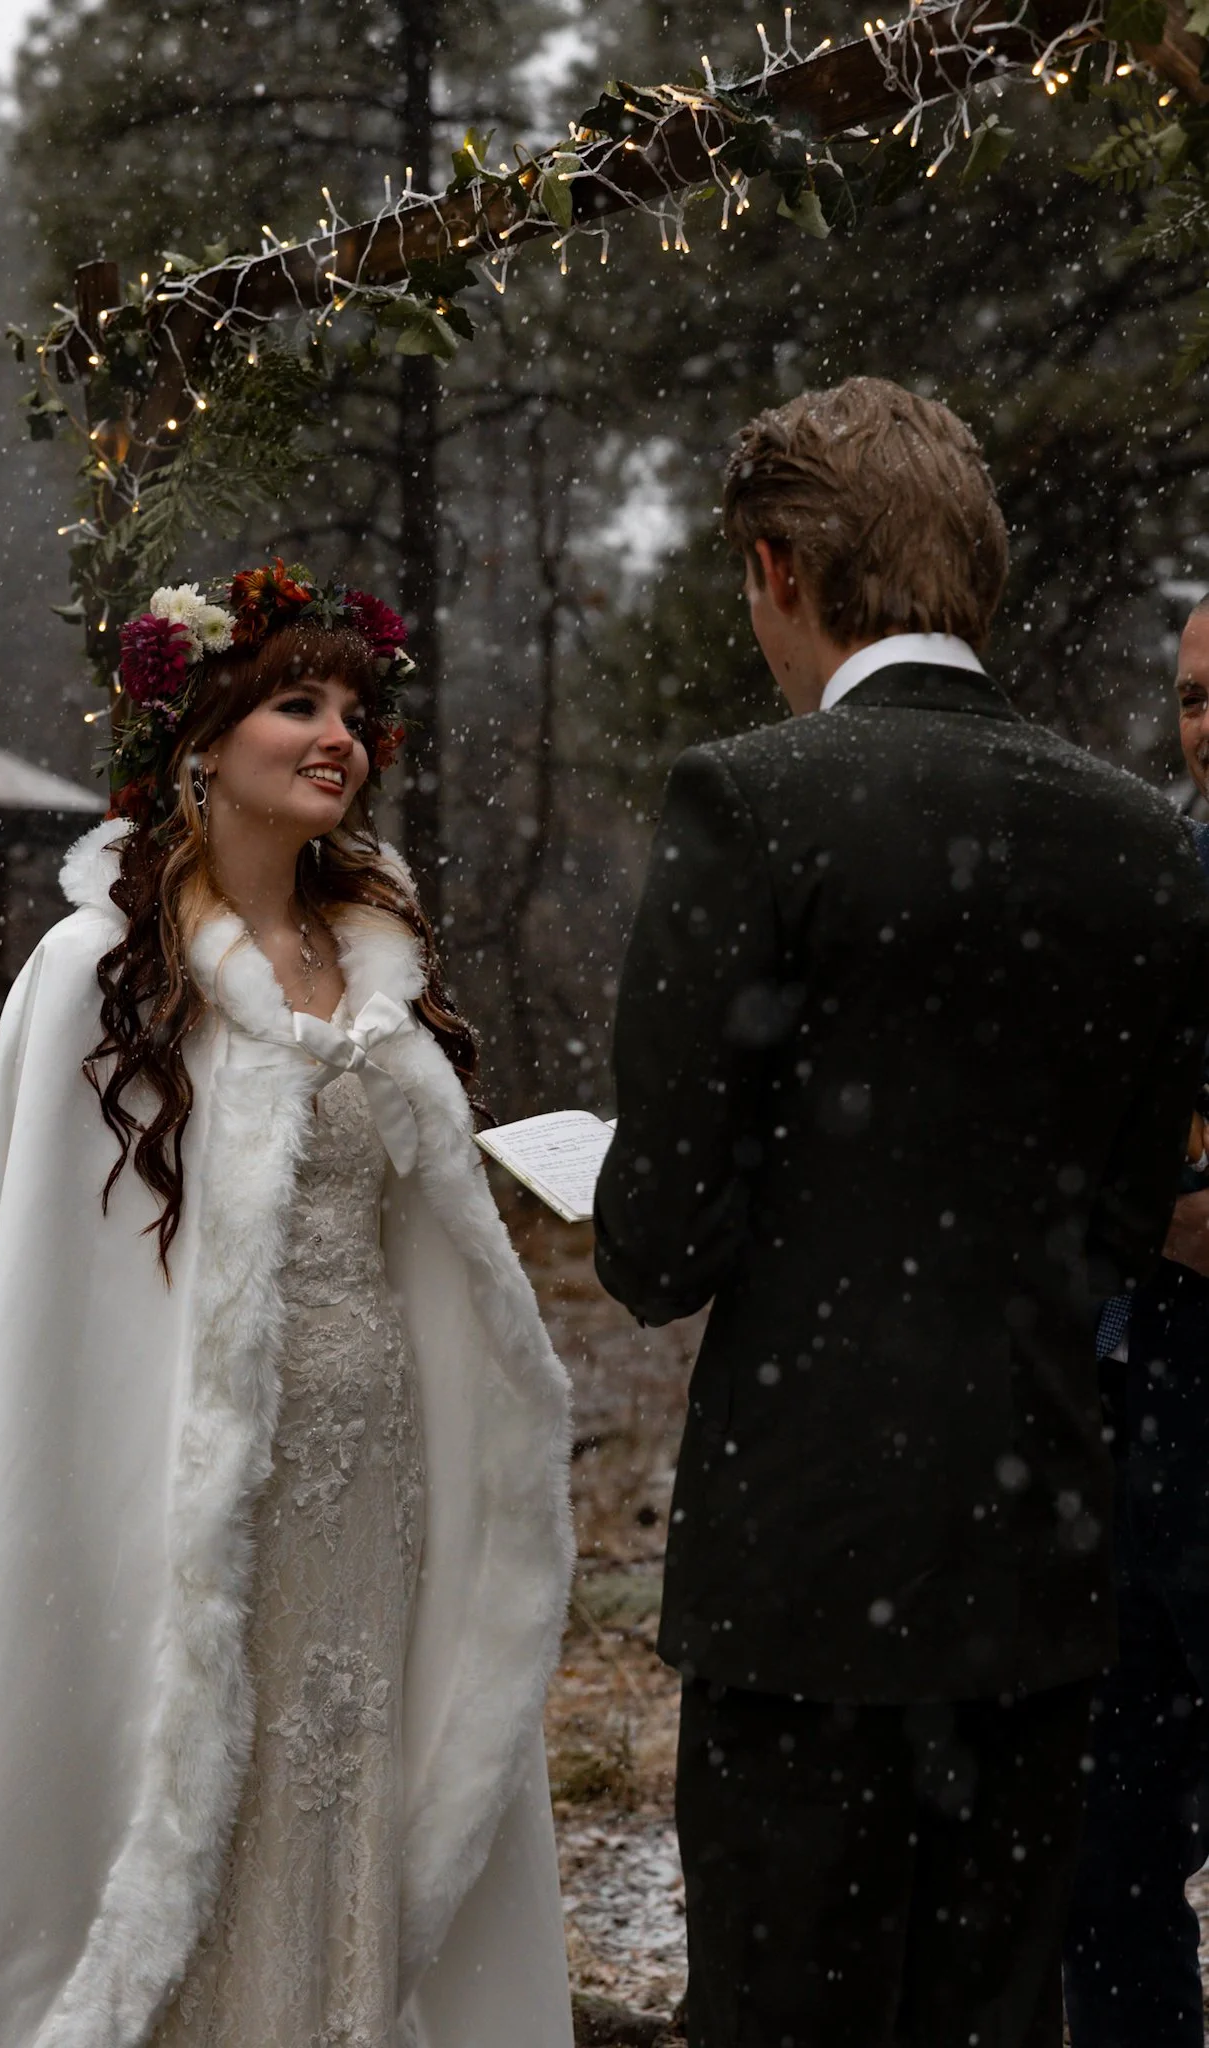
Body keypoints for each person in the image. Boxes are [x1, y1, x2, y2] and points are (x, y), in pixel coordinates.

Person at [0, 562, 575, 2048]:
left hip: (373, 1485)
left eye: (356, 712)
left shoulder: (382, 963)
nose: (338, 736)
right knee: (186, 1808)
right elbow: (51, 1311)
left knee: (346, 1787)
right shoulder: (91, 978)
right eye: (296, 704)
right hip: (177, 1494)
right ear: (198, 742)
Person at [594, 377, 1209, 2048]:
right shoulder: (1141, 843)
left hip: (808, 1571)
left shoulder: (753, 803)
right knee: (996, 2016)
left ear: (784, 572)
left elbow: (653, 1249)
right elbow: (1119, 1216)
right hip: (1038, 1554)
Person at [1063, 597, 1209, 2047]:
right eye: (1191, 699)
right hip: (1138, 1395)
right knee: (1106, 1846)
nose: (1207, 729)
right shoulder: (1157, 869)